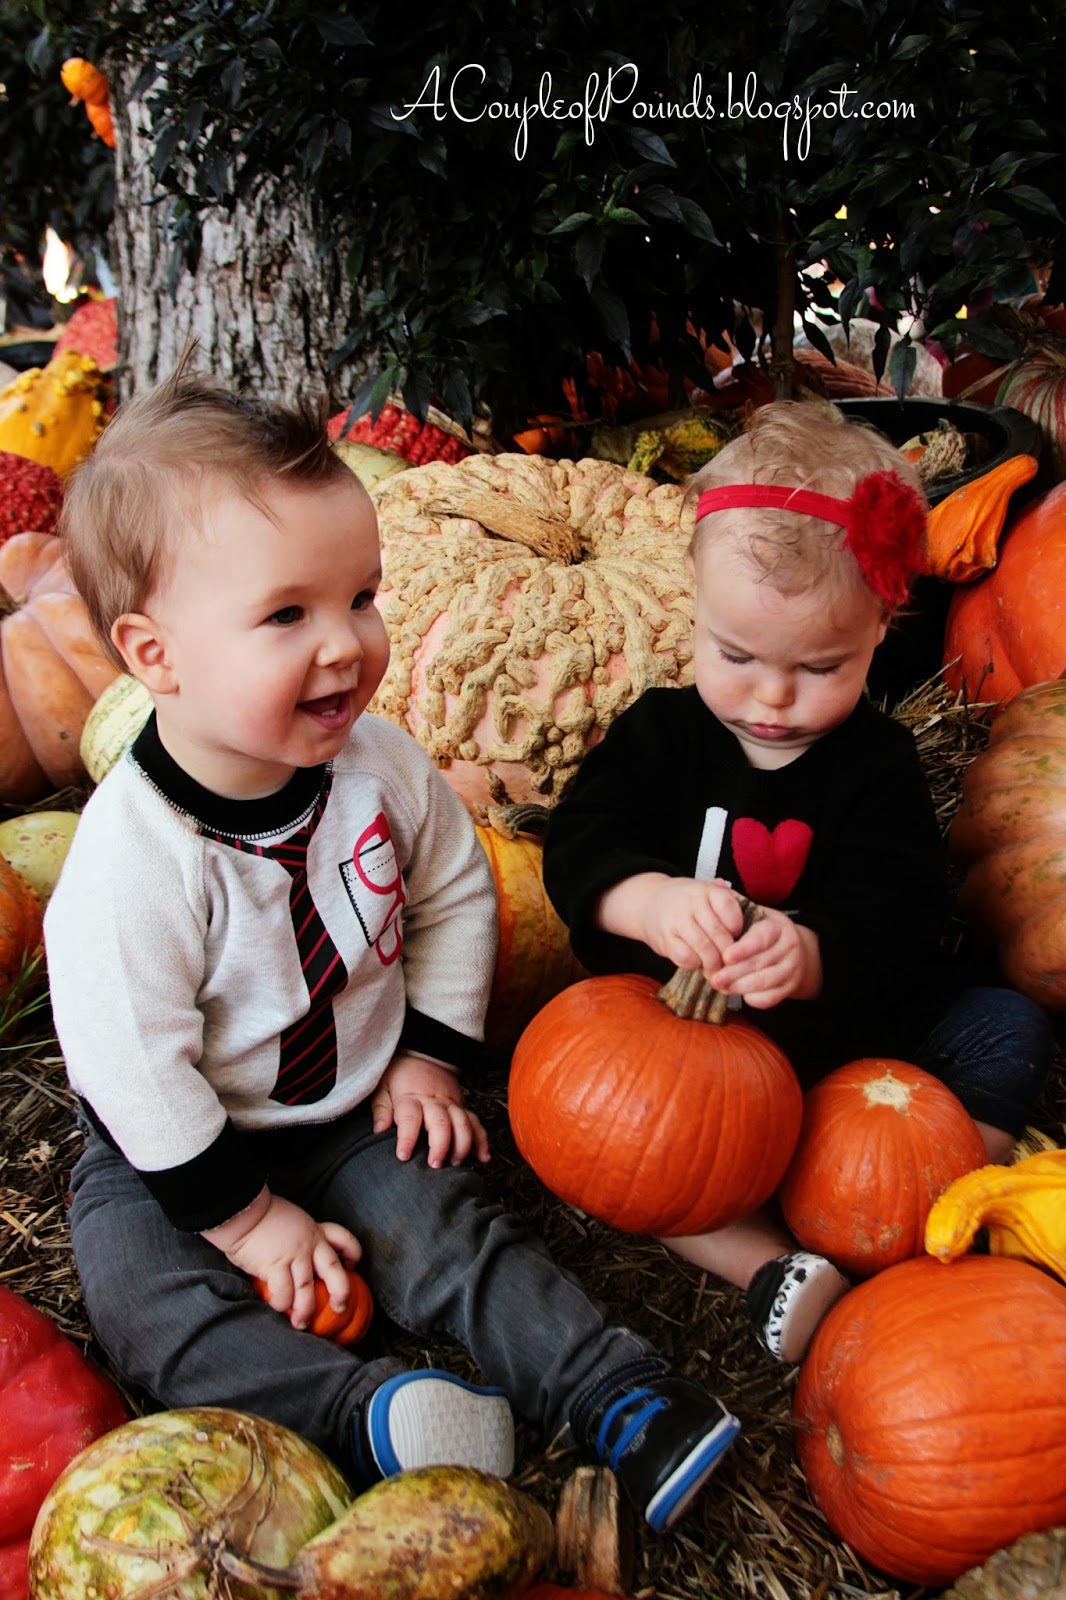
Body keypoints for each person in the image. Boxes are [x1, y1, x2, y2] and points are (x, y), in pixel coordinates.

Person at [43, 366, 741, 1533]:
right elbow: (136, 1068)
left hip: (348, 1108)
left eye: (360, 597)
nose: (345, 645)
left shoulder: (379, 766)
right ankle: (367, 1412)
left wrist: (426, 1055)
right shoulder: (135, 860)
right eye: (287, 616)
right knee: (146, 1306)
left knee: (445, 1233)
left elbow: (458, 891)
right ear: (155, 656)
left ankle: (617, 1391)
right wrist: (246, 1222)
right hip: (170, 1149)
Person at [542, 400, 1054, 1365]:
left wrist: (813, 953)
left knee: (1007, 1026)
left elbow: (906, 913)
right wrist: (649, 902)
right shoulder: (661, 735)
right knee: (627, 1145)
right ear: (694, 608)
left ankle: (933, 1208)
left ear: (882, 629)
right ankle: (772, 1266)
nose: (773, 696)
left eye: (821, 666)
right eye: (735, 655)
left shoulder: (877, 765)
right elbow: (577, 845)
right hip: (698, 1067)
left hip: (848, 1065)